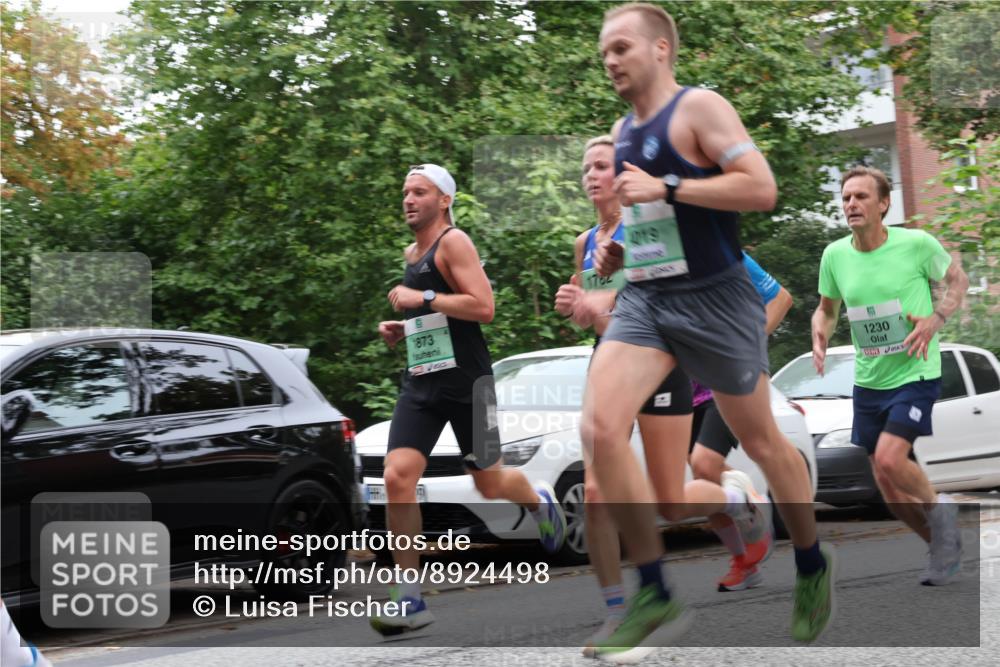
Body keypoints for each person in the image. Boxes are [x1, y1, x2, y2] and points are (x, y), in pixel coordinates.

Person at [583, 4, 834, 659]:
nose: (609, 59)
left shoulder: (699, 109)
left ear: (661, 48)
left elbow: (761, 187)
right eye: (603, 50)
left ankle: (810, 562)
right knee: (600, 427)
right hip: (648, 299)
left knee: (765, 443)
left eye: (621, 47)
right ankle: (655, 591)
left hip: (718, 301)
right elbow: (648, 225)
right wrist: (616, 254)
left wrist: (666, 184)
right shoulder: (621, 130)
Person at [371, 163, 567, 636]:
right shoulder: (411, 251)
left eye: (420, 192)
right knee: (398, 476)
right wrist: (406, 328)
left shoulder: (454, 243)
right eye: (405, 192)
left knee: (490, 483)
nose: (409, 199)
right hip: (421, 383)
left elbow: (483, 306)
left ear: (444, 201)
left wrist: (423, 300)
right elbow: (437, 313)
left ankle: (539, 501)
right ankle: (410, 596)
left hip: (469, 385)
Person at [555, 135, 697, 657]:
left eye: (601, 165)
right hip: (608, 362)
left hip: (657, 360)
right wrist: (574, 306)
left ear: (622, 172)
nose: (591, 175)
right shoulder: (584, 240)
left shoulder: (653, 223)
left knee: (671, 502)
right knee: (596, 493)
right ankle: (619, 610)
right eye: (585, 167)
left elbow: (665, 295)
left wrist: (603, 304)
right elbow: (589, 316)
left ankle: (736, 499)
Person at [812, 165, 968, 586]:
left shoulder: (916, 244)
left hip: (916, 369)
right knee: (886, 482)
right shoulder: (835, 255)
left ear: (884, 204)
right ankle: (939, 546)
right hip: (869, 380)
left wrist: (935, 319)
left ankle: (940, 509)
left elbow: (958, 280)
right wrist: (820, 333)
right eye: (846, 197)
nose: (851, 204)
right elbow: (827, 309)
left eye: (861, 196)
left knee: (888, 457)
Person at [688, 252, 793, 593]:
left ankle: (746, 505)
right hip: (678, 394)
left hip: (723, 384)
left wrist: (747, 348)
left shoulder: (720, 250)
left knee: (703, 463)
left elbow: (781, 298)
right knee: (701, 483)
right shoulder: (648, 261)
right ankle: (743, 560)